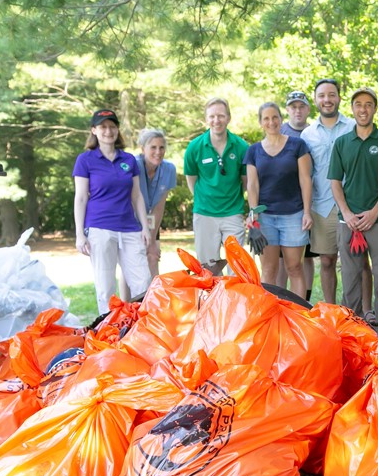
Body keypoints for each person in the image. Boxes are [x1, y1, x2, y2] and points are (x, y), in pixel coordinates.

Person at [328, 87, 378, 322]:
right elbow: (335, 182)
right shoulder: (342, 143)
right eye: (358, 104)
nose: (363, 109)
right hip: (349, 221)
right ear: (352, 108)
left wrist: (374, 213)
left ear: (375, 109)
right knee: (350, 276)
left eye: (368, 104)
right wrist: (347, 213)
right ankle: (352, 322)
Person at [73, 109, 151, 315]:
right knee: (105, 286)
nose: (108, 131)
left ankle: (142, 327)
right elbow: (80, 198)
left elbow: (137, 196)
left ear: (117, 130)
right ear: (94, 131)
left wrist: (145, 227)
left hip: (129, 229)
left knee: (143, 282)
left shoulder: (129, 160)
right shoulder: (85, 160)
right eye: (103, 127)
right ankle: (108, 333)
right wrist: (80, 234)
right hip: (99, 229)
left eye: (112, 126)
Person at [244, 102, 312, 293]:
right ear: (260, 123)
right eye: (266, 118)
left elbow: (305, 179)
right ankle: (272, 315)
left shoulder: (297, 145)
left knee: (294, 267)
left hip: (294, 215)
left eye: (275, 117)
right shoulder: (253, 151)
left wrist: (307, 212)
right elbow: (252, 184)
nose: (271, 122)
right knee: (268, 269)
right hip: (265, 218)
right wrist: (253, 213)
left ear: (281, 120)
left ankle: (299, 313)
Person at [301, 79, 356, 304]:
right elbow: (306, 174)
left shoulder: (353, 126)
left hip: (352, 204)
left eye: (331, 95)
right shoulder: (308, 134)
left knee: (356, 262)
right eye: (322, 95)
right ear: (315, 100)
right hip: (322, 205)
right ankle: (331, 308)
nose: (327, 100)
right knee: (326, 261)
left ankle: (356, 310)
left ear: (339, 97)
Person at [183, 97, 249, 274]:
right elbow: (192, 180)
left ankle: (233, 302)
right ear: (206, 119)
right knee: (208, 269)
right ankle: (212, 302)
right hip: (204, 214)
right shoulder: (195, 147)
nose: (216, 120)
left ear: (228, 117)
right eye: (212, 116)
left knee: (236, 268)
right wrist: (205, 198)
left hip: (233, 213)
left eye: (221, 116)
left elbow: (245, 182)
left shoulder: (241, 147)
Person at [117, 128, 176, 299]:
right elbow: (130, 198)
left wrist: (151, 237)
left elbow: (159, 206)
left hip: (150, 221)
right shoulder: (132, 165)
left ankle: (151, 305)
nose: (158, 152)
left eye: (161, 147)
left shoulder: (169, 169)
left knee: (153, 255)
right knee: (130, 264)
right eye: (153, 147)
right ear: (143, 148)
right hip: (129, 220)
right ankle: (125, 306)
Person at [278, 89, 316, 298]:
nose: (298, 111)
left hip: (311, 202)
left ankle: (306, 300)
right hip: (286, 202)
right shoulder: (280, 132)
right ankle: (281, 297)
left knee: (307, 255)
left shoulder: (314, 132)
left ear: (308, 109)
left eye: (301, 106)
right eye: (293, 107)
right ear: (288, 110)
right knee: (285, 257)